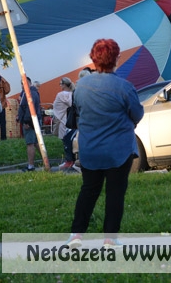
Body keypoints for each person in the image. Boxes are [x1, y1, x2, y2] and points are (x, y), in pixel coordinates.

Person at [66, 39, 144, 248]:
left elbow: (79, 113)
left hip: (90, 149)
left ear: (93, 58)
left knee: (88, 190)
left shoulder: (80, 87)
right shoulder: (124, 87)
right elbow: (137, 114)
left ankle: (76, 235)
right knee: (115, 193)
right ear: (117, 58)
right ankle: (110, 238)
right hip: (119, 150)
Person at [17, 76, 42, 171]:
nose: (22, 86)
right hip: (32, 120)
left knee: (30, 143)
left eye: (23, 84)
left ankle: (31, 166)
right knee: (36, 142)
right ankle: (45, 159)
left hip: (30, 122)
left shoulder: (30, 93)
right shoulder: (32, 92)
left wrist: (26, 121)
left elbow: (29, 108)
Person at [53, 77, 76, 171]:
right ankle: (72, 160)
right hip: (71, 121)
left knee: (65, 142)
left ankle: (68, 160)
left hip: (62, 120)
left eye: (60, 83)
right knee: (70, 141)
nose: (60, 85)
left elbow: (56, 107)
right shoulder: (73, 94)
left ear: (64, 85)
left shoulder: (60, 95)